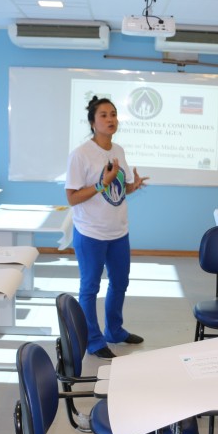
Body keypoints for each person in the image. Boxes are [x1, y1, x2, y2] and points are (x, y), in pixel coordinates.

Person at [65, 96, 147, 359]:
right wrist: (102, 183)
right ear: (92, 122)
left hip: (118, 231)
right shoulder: (80, 155)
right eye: (103, 115)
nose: (111, 119)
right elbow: (72, 197)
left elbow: (116, 190)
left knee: (120, 283)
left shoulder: (118, 150)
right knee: (90, 288)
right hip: (90, 232)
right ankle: (93, 339)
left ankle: (115, 330)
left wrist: (132, 186)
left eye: (113, 114)